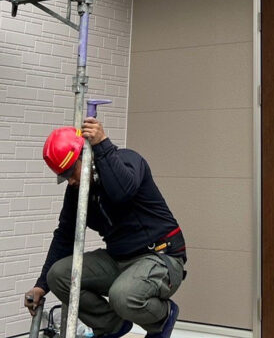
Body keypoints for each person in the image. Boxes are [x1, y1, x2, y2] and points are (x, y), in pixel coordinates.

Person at [23, 117, 186, 338]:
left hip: (160, 256)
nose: (70, 181)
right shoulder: (77, 191)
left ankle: (162, 316)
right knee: (59, 275)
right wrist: (41, 285)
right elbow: (64, 236)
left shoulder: (128, 160)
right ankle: (112, 325)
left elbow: (122, 193)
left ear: (85, 156)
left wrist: (102, 145)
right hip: (119, 260)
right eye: (64, 176)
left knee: (123, 296)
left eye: (71, 172)